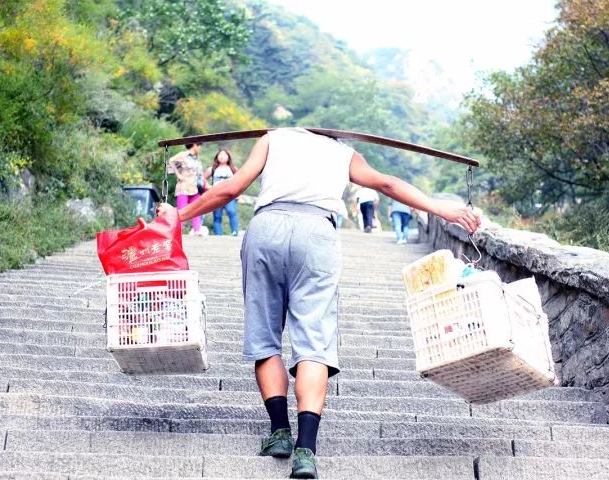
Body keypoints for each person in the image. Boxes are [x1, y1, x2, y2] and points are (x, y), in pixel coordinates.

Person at [157, 128, 481, 479]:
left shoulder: (274, 138)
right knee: (313, 343)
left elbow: (233, 188)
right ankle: (305, 451)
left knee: (264, 335)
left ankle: (279, 433)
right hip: (317, 235)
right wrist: (440, 208)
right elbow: (386, 184)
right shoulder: (342, 153)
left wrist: (178, 216)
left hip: (267, 229)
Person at [167, 142, 204, 235]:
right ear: (194, 145)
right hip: (183, 185)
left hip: (195, 187)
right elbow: (171, 161)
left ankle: (197, 230)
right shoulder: (183, 155)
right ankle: (178, 231)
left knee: (196, 208)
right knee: (181, 209)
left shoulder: (197, 158)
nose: (200, 148)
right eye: (199, 145)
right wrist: (178, 174)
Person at [204, 149, 239, 236]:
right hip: (216, 195)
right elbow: (202, 178)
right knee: (217, 216)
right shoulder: (212, 169)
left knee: (231, 212)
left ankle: (234, 232)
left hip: (229, 195)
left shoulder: (233, 169)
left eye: (224, 154)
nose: (222, 156)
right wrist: (208, 186)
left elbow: (240, 181)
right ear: (217, 157)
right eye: (220, 154)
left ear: (228, 157)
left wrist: (239, 193)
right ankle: (218, 235)